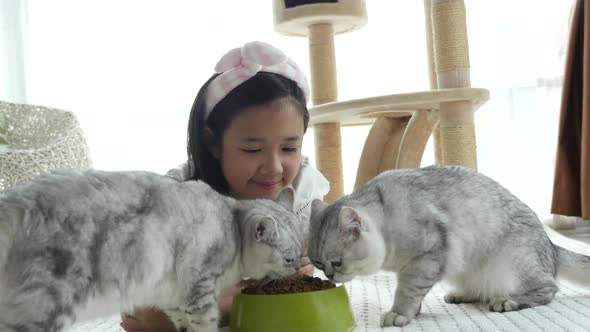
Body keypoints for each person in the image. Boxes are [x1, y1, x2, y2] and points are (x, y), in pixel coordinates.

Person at [120, 41, 329, 332]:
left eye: (289, 148)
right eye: (252, 151)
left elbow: (304, 277)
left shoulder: (302, 191)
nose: (274, 167)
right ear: (213, 143)